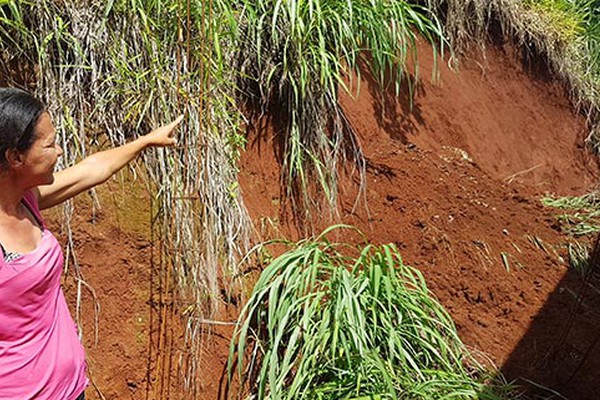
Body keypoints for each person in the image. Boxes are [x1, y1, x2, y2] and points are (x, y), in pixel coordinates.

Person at [0, 88, 182, 399]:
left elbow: (93, 169)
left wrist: (144, 141)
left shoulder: (28, 200)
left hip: (70, 389)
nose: (59, 152)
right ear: (15, 157)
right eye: (50, 145)